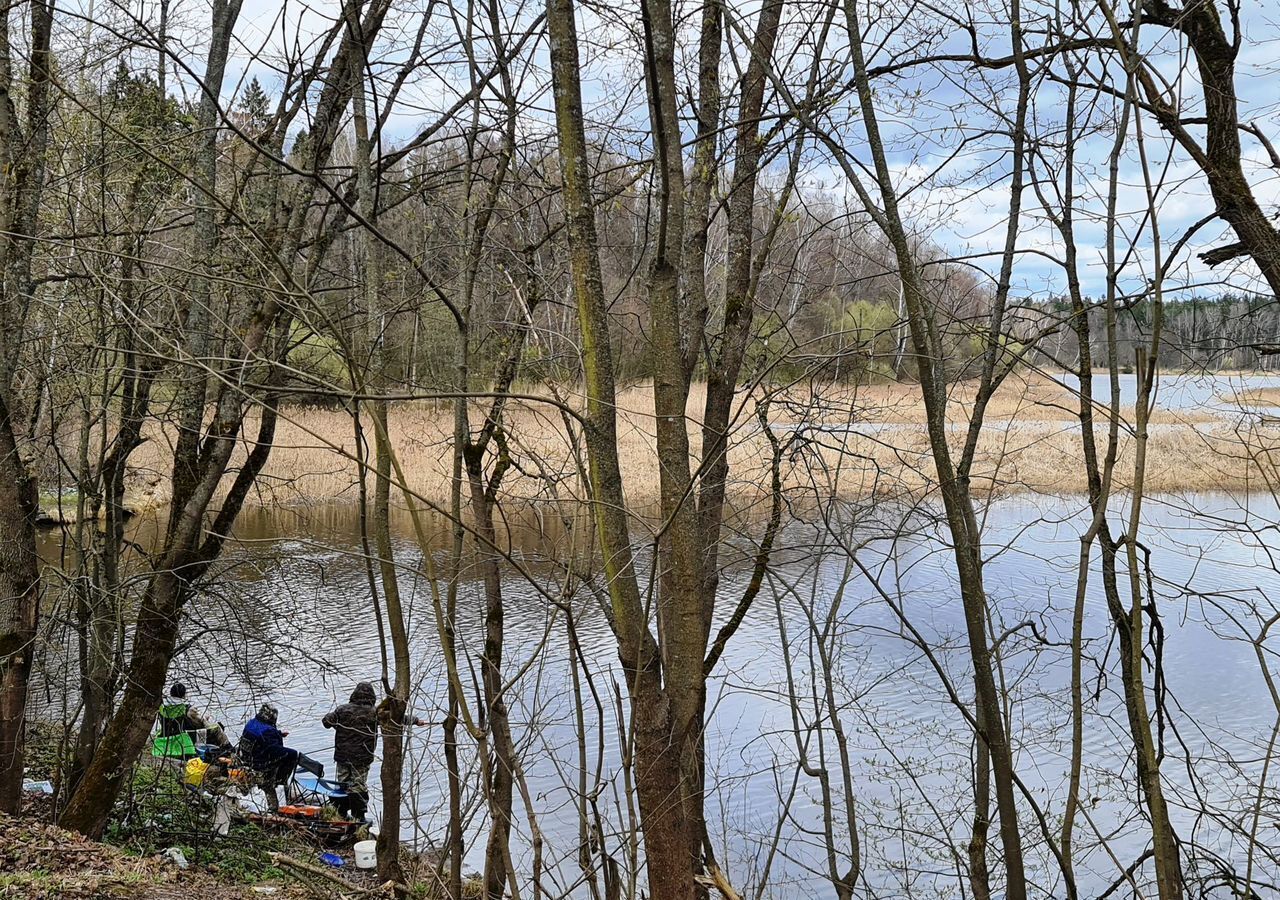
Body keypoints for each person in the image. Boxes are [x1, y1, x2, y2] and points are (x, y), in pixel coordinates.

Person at [322, 682, 378, 821]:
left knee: (342, 783)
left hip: (343, 756)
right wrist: (416, 720)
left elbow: (326, 722)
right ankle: (359, 816)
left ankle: (341, 814)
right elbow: (396, 718)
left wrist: (337, 724)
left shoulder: (342, 710)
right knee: (358, 786)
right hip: (362, 757)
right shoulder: (374, 713)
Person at [238, 703, 301, 810]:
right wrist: (295, 754)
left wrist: (278, 734)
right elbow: (275, 751)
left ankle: (280, 785)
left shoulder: (252, 723)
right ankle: (279, 783)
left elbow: (261, 737)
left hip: (246, 761)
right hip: (260, 768)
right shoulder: (268, 732)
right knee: (292, 755)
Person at [152, 683, 232, 759]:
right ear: (184, 695)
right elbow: (202, 723)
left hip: (165, 735)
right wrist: (206, 718)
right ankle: (230, 750)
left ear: (171, 693)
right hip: (185, 738)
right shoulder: (186, 708)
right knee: (217, 728)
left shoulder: (162, 707)